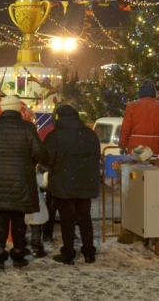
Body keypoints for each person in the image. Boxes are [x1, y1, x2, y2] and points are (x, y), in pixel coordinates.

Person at [0, 95, 48, 270]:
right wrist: (29, 164)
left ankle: (0, 256)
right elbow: (39, 152)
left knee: (1, 218)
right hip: (22, 178)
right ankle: (18, 255)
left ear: (3, 109)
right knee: (18, 218)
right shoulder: (28, 127)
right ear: (18, 109)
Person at [43, 104, 100, 264]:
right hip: (86, 183)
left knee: (67, 220)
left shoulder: (55, 136)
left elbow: (46, 159)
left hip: (64, 183)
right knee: (84, 217)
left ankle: (68, 253)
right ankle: (89, 252)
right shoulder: (90, 134)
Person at [119, 79, 159, 155]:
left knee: (136, 166)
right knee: (155, 166)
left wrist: (122, 145)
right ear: (154, 93)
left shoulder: (132, 106)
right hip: (157, 147)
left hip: (136, 148)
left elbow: (126, 128)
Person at [25, 166, 49, 258]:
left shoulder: (21, 169)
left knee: (21, 226)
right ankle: (36, 249)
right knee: (36, 227)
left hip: (22, 201)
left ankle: (22, 246)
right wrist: (46, 175)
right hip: (36, 201)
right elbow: (43, 184)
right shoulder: (35, 172)